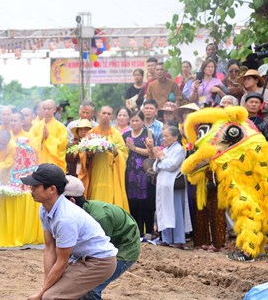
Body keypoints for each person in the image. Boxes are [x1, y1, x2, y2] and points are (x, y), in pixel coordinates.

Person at [23, 164, 117, 300]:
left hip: (99, 262)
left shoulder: (65, 218)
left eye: (35, 186)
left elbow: (62, 261)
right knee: (50, 295)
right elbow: (50, 250)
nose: (31, 190)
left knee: (52, 298)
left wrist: (43, 294)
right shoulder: (45, 208)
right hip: (82, 259)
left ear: (51, 190)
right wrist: (45, 288)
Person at [62, 175, 140, 300]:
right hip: (103, 251)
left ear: (71, 201)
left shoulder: (98, 217)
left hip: (122, 252)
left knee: (91, 290)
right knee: (70, 285)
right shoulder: (76, 214)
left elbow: (99, 254)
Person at [79, 106, 129, 211]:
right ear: (99, 114)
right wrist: (88, 153)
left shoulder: (116, 134)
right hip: (95, 173)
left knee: (109, 204)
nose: (106, 116)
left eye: (109, 114)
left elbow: (123, 154)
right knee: (95, 201)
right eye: (104, 113)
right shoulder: (91, 133)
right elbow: (84, 155)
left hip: (110, 174)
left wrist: (115, 151)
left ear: (112, 117)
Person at [153, 126, 192, 248]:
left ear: (175, 137)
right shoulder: (166, 148)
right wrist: (160, 158)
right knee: (164, 211)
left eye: (167, 136)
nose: (164, 139)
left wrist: (161, 157)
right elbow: (156, 166)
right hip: (163, 186)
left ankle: (179, 239)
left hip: (173, 186)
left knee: (175, 212)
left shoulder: (179, 149)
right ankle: (166, 238)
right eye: (163, 136)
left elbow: (173, 165)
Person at [123, 111, 155, 239]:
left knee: (146, 202)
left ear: (142, 121)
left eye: (137, 120)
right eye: (132, 121)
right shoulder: (125, 135)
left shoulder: (148, 134)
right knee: (133, 202)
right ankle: (136, 231)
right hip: (130, 173)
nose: (135, 123)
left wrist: (134, 148)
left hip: (144, 172)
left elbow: (151, 153)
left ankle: (149, 231)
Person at [29, 100, 69, 171]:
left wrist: (49, 137)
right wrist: (41, 138)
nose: (46, 111)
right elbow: (30, 144)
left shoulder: (60, 127)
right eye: (44, 108)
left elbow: (62, 146)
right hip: (39, 164)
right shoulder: (36, 126)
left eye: (49, 109)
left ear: (54, 110)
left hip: (55, 165)